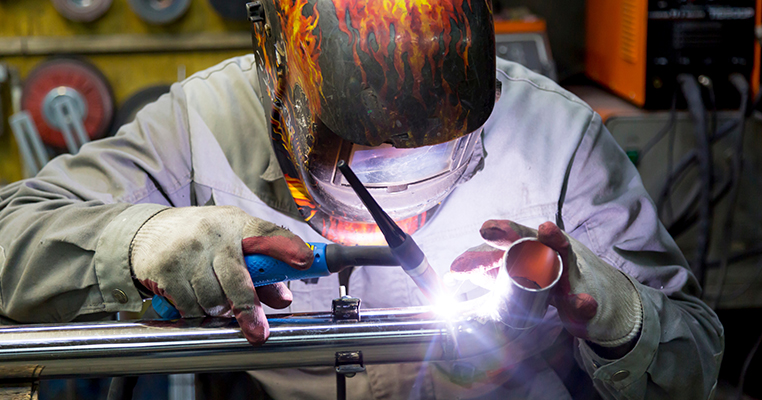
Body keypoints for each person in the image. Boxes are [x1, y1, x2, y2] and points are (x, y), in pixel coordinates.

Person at [0, 0, 723, 398]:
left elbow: (693, 362)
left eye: (434, 149)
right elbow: (13, 235)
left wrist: (619, 314)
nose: (399, 190)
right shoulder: (204, 123)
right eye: (366, 157)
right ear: (281, 79)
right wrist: (140, 242)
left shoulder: (555, 134)